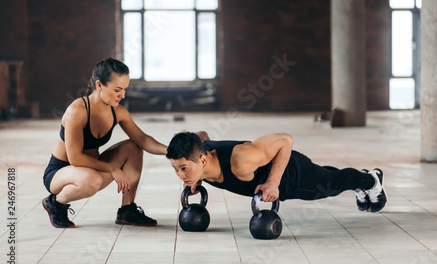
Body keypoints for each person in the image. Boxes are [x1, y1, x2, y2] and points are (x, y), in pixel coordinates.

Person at [42, 58, 168, 228]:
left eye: (124, 90)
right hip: (60, 173)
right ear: (99, 85)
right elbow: (76, 159)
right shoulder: (77, 111)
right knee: (92, 180)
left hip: (92, 170)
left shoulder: (118, 112)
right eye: (117, 90)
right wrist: (113, 169)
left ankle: (127, 210)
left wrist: (172, 151)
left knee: (133, 147)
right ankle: (55, 203)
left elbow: (143, 139)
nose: (122, 95)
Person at [166, 131, 387, 213]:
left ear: (203, 160)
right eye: (176, 169)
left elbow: (285, 140)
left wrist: (273, 182)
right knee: (327, 175)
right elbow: (201, 135)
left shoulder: (241, 160)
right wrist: (198, 179)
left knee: (330, 185)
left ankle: (370, 180)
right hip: (276, 172)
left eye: (184, 169)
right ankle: (362, 178)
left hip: (290, 172)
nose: (180, 176)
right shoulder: (200, 154)